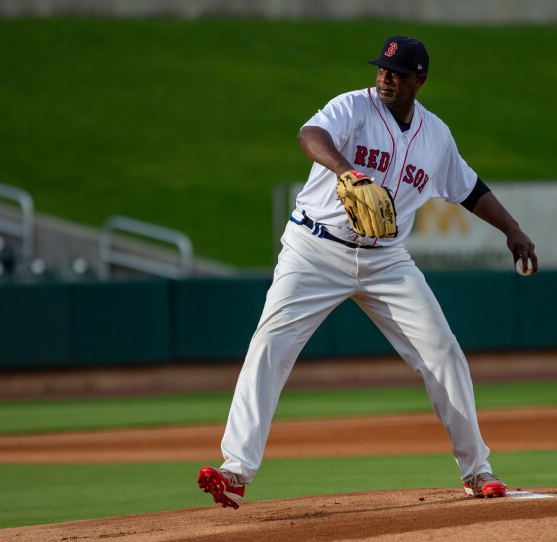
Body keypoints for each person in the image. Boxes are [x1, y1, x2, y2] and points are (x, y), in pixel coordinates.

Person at [198, 35, 538, 509]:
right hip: (314, 249)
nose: (385, 76)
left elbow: (468, 188)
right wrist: (346, 171)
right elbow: (308, 135)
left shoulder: (435, 136)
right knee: (270, 344)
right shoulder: (353, 107)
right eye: (381, 67)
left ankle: (478, 469)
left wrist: (513, 229)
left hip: (386, 260)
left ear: (419, 80)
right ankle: (235, 469)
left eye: (396, 72)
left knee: (442, 351)